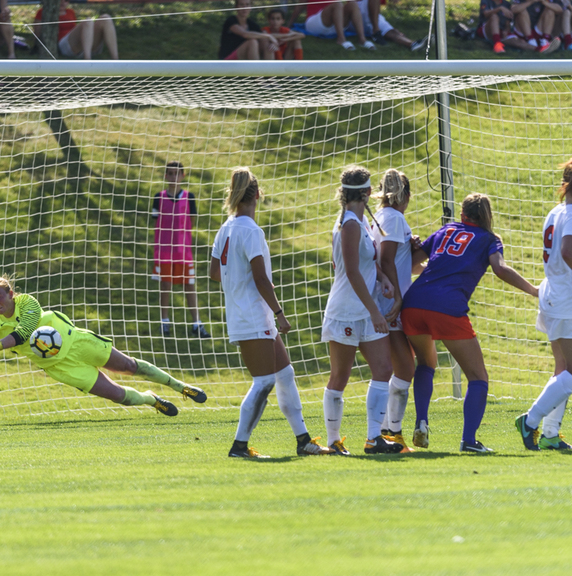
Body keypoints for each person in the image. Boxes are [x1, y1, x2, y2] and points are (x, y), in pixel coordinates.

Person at [0, 274, 207, 416]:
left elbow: (25, 332)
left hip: (76, 342)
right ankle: (152, 400)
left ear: (10, 293)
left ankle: (181, 387)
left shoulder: (27, 302)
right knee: (116, 395)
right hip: (59, 365)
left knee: (128, 366)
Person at [210, 168, 332, 459]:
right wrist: (279, 312)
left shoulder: (226, 227)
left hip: (247, 313)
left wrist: (236, 283)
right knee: (264, 382)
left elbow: (214, 273)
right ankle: (239, 445)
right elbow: (261, 279)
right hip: (253, 315)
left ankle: (303, 440)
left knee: (285, 374)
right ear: (257, 195)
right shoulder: (250, 230)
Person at [403, 194, 538, 453]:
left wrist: (432, 263)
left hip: (413, 303)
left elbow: (410, 264)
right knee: (478, 377)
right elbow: (500, 269)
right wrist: (532, 290)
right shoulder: (490, 239)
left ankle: (421, 420)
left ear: (463, 214)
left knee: (426, 363)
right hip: (447, 307)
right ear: (487, 215)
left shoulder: (447, 229)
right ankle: (469, 441)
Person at [516, 157, 572, 451]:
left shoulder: (555, 212)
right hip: (569, 301)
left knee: (562, 369)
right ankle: (530, 421)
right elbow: (568, 252)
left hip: (551, 296)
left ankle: (551, 433)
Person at [321, 165, 403, 456]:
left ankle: (373, 439)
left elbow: (366, 264)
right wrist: (375, 312)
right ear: (368, 192)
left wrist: (382, 279)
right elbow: (352, 273)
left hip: (366, 309)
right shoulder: (350, 223)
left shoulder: (360, 221)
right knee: (340, 376)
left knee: (383, 369)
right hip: (347, 310)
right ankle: (333, 441)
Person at [370, 170, 422, 452]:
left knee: (394, 369)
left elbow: (403, 263)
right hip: (388, 302)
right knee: (402, 368)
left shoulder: (380, 218)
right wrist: (398, 297)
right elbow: (387, 260)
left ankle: (384, 432)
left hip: (384, 300)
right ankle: (391, 433)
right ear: (408, 195)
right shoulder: (395, 218)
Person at [150, 161, 210, 339]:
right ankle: (164, 322)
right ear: (165, 175)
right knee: (165, 285)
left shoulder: (189, 197)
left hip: (184, 252)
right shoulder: (159, 197)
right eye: (170, 173)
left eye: (177, 173)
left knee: (189, 285)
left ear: (182, 176)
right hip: (164, 252)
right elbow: (156, 221)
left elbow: (191, 220)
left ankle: (196, 324)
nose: (173, 176)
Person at [33, 0, 119, 60]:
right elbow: (38, 34)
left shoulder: (71, 12)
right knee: (88, 21)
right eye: (60, 0)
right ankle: (87, 61)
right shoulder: (42, 12)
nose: (63, 2)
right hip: (63, 45)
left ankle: (116, 60)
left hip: (82, 44)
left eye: (66, 0)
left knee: (106, 18)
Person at [288, 0, 375, 51]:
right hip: (314, 23)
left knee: (353, 3)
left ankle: (362, 40)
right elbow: (299, 6)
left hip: (334, 22)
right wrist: (289, 24)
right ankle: (341, 39)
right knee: (337, 4)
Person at [478, 0, 558, 54]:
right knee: (494, 17)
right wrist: (499, 8)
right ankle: (497, 44)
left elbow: (507, 20)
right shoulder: (486, 1)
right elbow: (486, 14)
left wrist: (507, 29)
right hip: (486, 29)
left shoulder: (506, 4)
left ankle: (539, 49)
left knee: (518, 42)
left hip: (500, 31)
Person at [355, 0, 430, 51]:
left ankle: (413, 44)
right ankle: (376, 31)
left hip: (372, 13)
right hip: (353, 11)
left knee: (391, 31)